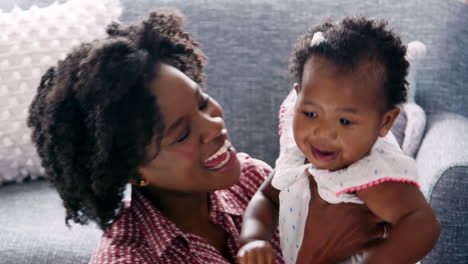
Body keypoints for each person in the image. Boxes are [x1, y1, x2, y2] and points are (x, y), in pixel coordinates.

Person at [28, 9, 391, 264]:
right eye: (182, 133)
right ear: (134, 170)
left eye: (201, 103)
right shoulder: (129, 258)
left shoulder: (250, 180)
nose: (213, 126)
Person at [238, 17, 440, 264]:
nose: (322, 133)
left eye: (345, 121)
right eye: (311, 114)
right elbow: (266, 199)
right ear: (297, 97)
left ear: (385, 122)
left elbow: (422, 224)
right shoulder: (299, 156)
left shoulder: (371, 172)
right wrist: (254, 239)